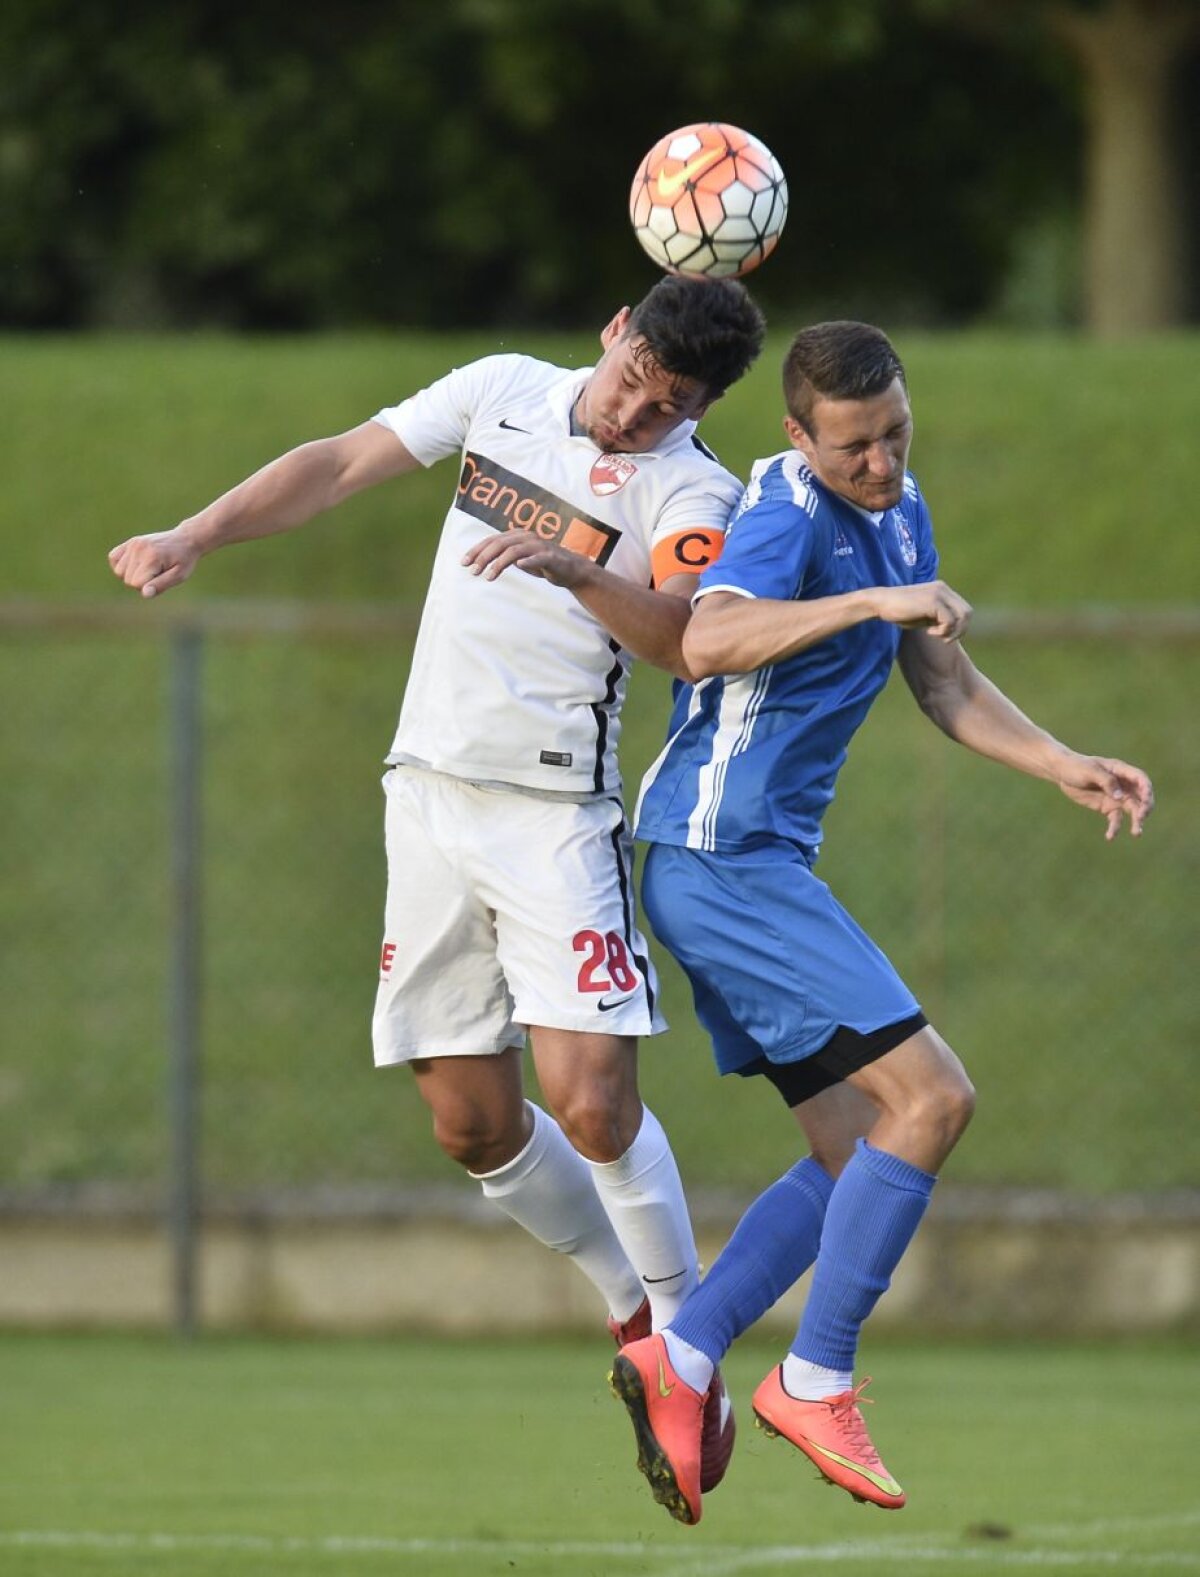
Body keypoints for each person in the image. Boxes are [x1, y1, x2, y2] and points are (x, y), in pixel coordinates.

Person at [108, 275, 766, 1482]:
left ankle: (689, 1347)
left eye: (671, 404)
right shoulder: (502, 389)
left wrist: (577, 570)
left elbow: (680, 639)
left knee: (593, 1102)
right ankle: (630, 1308)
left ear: (705, 407)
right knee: (470, 1122)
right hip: (426, 798)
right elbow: (338, 464)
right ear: (613, 331)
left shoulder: (694, 493)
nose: (635, 413)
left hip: (555, 816)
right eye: (634, 379)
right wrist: (195, 532)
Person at [609, 319, 1154, 1526]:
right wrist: (866, 599)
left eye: (896, 433)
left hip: (741, 865)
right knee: (935, 1098)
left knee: (857, 1147)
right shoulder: (788, 510)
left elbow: (943, 678)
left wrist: (1059, 760)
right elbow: (702, 637)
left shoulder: (901, 514)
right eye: (854, 445)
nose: (881, 462)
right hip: (722, 857)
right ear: (799, 435)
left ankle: (682, 1353)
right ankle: (816, 1376)